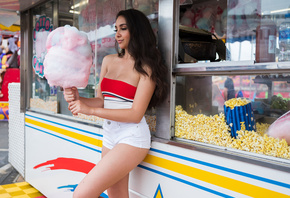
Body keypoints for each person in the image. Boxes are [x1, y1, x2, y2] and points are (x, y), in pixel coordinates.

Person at [63, 9, 167, 198]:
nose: (117, 34)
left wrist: (90, 110)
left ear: (136, 31)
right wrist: (79, 99)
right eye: (115, 29)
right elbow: (102, 100)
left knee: (81, 194)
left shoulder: (147, 67)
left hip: (132, 138)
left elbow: (135, 114)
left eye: (123, 28)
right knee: (116, 196)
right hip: (110, 135)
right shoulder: (109, 60)